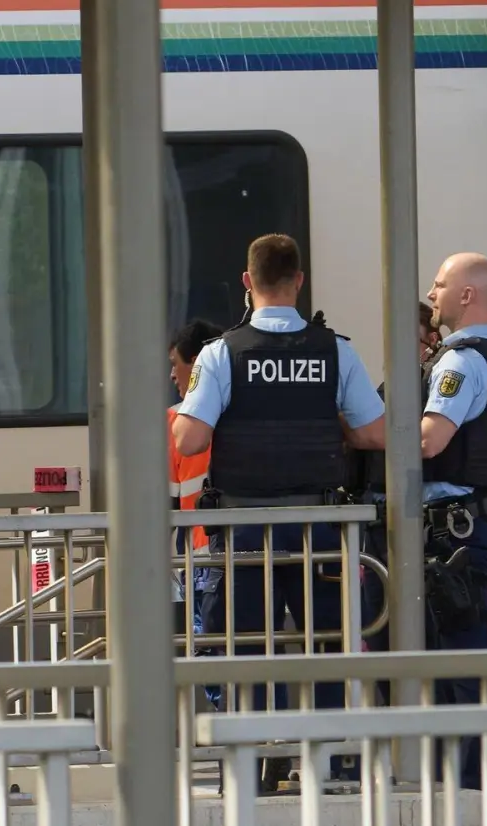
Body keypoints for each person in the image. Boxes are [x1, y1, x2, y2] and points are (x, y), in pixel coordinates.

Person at [173, 233, 385, 790]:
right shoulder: (336, 350)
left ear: (248, 282)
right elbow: (374, 432)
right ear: (299, 281)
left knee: (245, 642)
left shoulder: (222, 353)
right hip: (320, 526)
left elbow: (190, 440)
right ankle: (331, 762)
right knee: (327, 637)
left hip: (243, 526)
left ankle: (257, 763)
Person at [353, 254, 487, 815]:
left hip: (453, 535)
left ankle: (473, 790)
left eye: (441, 285)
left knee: (460, 659)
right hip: (467, 527)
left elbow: (428, 441)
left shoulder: (459, 362)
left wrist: (370, 432)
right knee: (455, 661)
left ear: (467, 295)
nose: (433, 292)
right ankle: (468, 785)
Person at [168, 318, 223, 649]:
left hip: (203, 564)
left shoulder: (175, 421)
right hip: (246, 553)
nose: (172, 375)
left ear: (198, 363)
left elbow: (167, 504)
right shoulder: (239, 412)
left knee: (210, 657)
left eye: (176, 364)